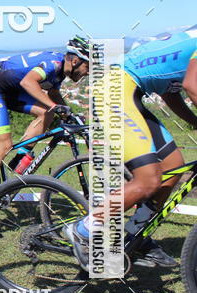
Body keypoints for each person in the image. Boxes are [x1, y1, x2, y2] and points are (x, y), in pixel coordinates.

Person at [66, 27, 197, 269]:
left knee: (173, 167)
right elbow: (192, 85)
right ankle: (82, 231)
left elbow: (171, 93)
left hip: (130, 91)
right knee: (148, 180)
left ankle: (136, 236)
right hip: (116, 90)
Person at [0, 36, 90, 207]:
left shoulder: (60, 71)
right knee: (3, 145)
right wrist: (55, 106)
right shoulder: (53, 64)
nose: (88, 72)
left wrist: (68, 113)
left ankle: (19, 156)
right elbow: (28, 82)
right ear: (75, 61)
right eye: (88, 67)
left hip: (13, 91)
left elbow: (53, 94)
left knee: (47, 112)